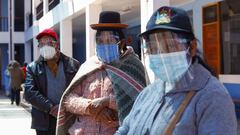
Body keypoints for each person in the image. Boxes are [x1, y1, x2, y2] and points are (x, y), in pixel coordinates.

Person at [115, 6, 237, 135]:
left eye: (170, 46)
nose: (161, 55)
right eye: (153, 48)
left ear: (192, 48)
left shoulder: (212, 97)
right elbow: (126, 128)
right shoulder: (149, 92)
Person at [56, 11, 146, 135]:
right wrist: (90, 107)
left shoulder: (132, 66)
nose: (105, 44)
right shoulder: (88, 66)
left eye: (110, 40)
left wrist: (107, 102)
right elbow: (69, 100)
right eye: (100, 41)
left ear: (122, 43)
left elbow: (141, 101)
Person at [24, 28, 80, 135]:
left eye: (48, 42)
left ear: (56, 44)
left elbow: (79, 89)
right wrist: (51, 108)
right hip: (43, 120)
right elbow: (29, 93)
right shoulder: (33, 67)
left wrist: (67, 107)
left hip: (68, 117)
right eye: (41, 44)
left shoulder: (73, 64)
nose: (45, 46)